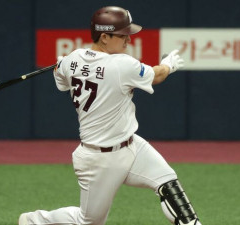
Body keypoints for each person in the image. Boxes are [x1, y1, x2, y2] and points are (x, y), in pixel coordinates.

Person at [19, 6, 202, 225]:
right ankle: (34, 221)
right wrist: (168, 65)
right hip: (99, 158)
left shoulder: (73, 58)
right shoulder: (121, 64)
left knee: (167, 181)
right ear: (104, 37)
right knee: (88, 221)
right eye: (123, 35)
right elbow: (157, 75)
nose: (128, 40)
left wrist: (61, 66)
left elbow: (62, 82)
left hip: (132, 145)